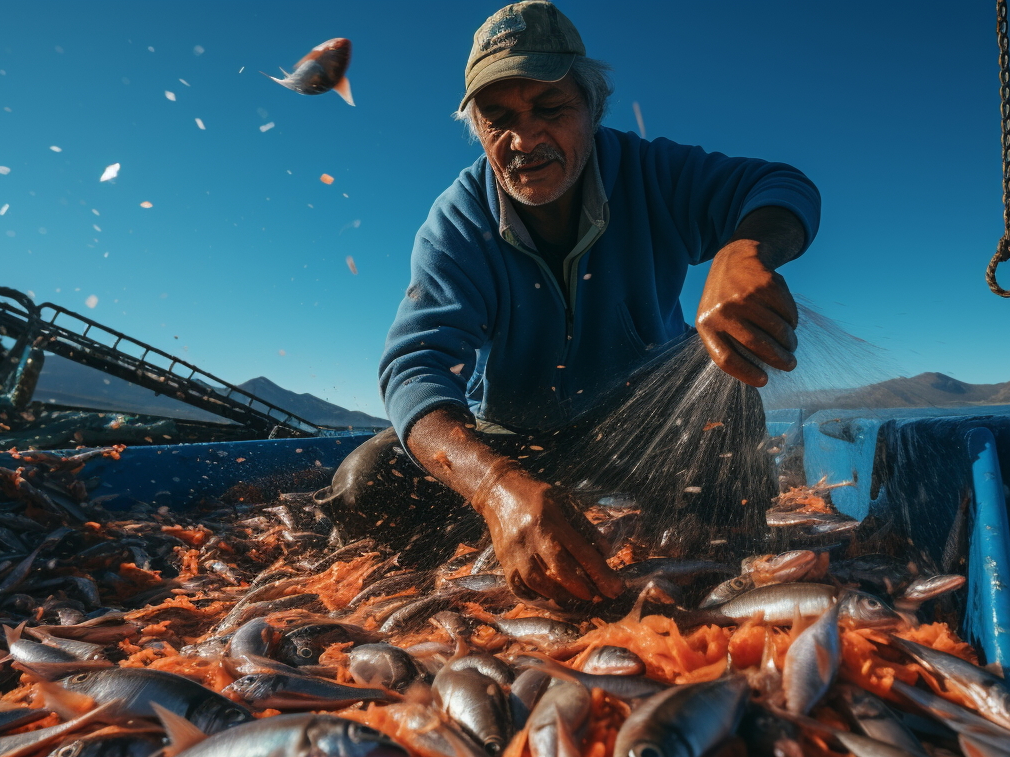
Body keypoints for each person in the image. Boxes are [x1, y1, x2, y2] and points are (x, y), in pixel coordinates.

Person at [317, 1, 820, 604]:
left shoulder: (652, 172)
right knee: (364, 489)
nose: (524, 139)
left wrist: (745, 249)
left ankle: (717, 589)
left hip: (647, 428)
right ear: (475, 126)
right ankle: (476, 560)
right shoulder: (457, 222)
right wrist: (495, 486)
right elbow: (415, 366)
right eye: (497, 118)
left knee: (725, 409)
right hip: (512, 435)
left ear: (592, 106)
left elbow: (782, 185)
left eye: (550, 109)